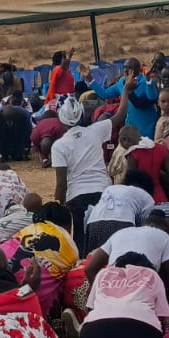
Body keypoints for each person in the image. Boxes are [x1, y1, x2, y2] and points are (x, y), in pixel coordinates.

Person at [50, 98, 113, 251]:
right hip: (104, 191)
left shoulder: (59, 146)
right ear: (82, 114)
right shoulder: (96, 130)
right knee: (106, 241)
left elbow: (61, 185)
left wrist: (59, 208)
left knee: (81, 242)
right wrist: (125, 91)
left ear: (61, 119)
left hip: (76, 197)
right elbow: (121, 114)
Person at [80, 171, 158, 252]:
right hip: (121, 222)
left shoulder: (111, 188)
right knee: (120, 256)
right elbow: (146, 225)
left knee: (93, 256)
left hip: (93, 222)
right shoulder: (147, 197)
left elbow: (90, 212)